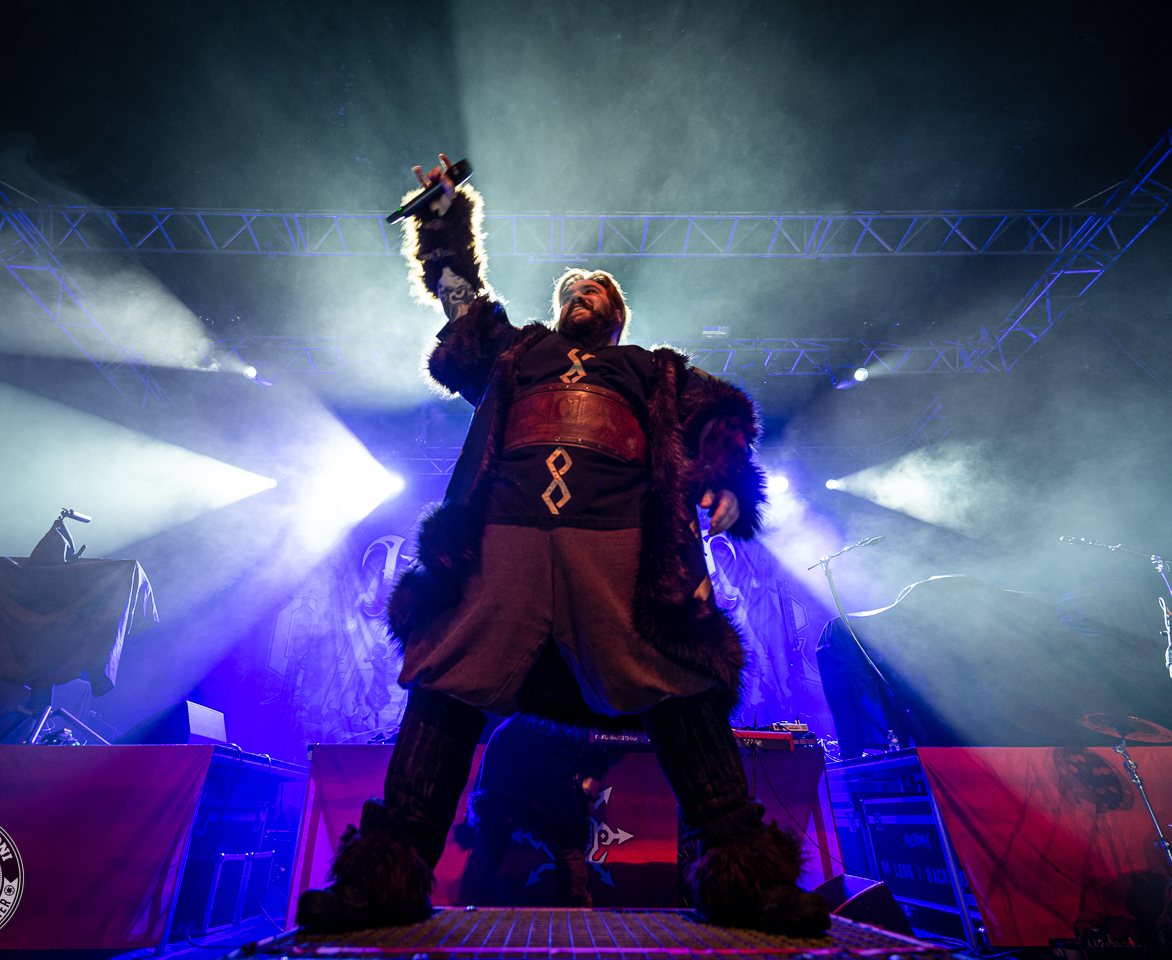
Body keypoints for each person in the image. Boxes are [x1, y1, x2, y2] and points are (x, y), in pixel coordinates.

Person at [295, 156, 829, 936]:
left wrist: (727, 482)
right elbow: (460, 300)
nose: (581, 291)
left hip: (619, 549)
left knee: (678, 681)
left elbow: (721, 421)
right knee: (447, 678)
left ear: (617, 316)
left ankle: (748, 879)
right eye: (572, 288)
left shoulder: (654, 371)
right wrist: (443, 217)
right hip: (504, 545)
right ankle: (383, 880)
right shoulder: (517, 354)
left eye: (596, 289)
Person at [455, 715, 612, 908]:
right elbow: (588, 790)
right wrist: (581, 820)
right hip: (547, 740)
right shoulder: (591, 741)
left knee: (493, 834)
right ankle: (573, 906)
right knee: (569, 841)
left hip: (508, 737)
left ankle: (469, 902)